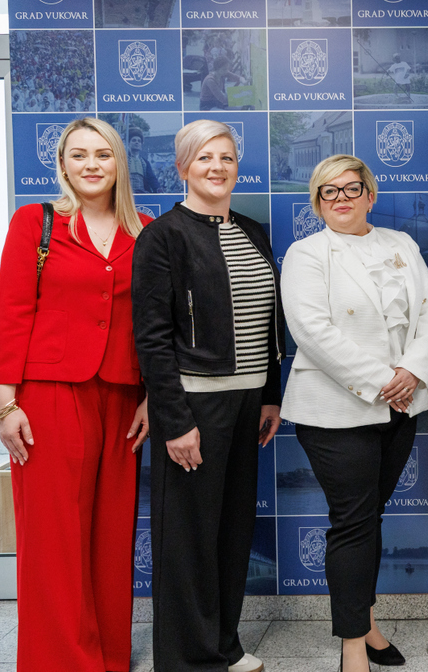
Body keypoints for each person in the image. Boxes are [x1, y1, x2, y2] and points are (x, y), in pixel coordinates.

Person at [0, 117, 150, 672]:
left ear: (119, 164)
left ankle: (108, 657)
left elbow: (157, 322)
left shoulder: (145, 231)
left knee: (111, 535)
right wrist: (6, 403)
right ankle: (59, 662)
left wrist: (154, 396)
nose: (91, 165)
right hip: (49, 395)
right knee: (53, 538)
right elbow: (10, 312)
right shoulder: (35, 223)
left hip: (124, 396)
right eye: (78, 155)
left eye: (102, 154)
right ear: (62, 165)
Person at [280, 154, 428, 672]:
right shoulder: (306, 254)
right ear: (317, 203)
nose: (341, 198)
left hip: (401, 405)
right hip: (335, 410)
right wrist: (384, 381)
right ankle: (353, 647)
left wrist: (414, 369)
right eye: (328, 191)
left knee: (369, 518)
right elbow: (312, 331)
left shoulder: (401, 243)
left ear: (370, 196)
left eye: (351, 188)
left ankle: (367, 623)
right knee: (353, 522)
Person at [132, 119, 284, 672]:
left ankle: (223, 645)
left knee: (231, 530)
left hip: (248, 402)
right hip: (195, 405)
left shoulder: (253, 230)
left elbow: (268, 322)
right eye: (204, 158)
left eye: (226, 157)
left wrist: (270, 395)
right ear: (182, 167)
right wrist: (174, 421)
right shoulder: (162, 236)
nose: (217, 167)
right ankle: (187, 660)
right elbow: (151, 339)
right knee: (189, 537)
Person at [127, 126, 161, 194]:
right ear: (129, 143)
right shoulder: (122, 160)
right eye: (134, 140)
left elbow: (152, 178)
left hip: (142, 193)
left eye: (139, 141)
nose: (137, 142)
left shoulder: (145, 162)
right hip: (126, 193)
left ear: (141, 145)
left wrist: (158, 189)